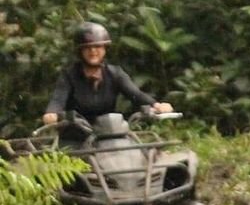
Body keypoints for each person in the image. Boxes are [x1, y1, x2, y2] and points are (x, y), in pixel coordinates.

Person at [41, 21, 172, 130]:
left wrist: (157, 105)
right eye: (87, 48)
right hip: (76, 138)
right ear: (80, 51)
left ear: (104, 49)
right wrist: (51, 113)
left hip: (109, 134)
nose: (93, 51)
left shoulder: (115, 73)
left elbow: (136, 94)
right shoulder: (69, 75)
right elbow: (58, 99)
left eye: (97, 46)